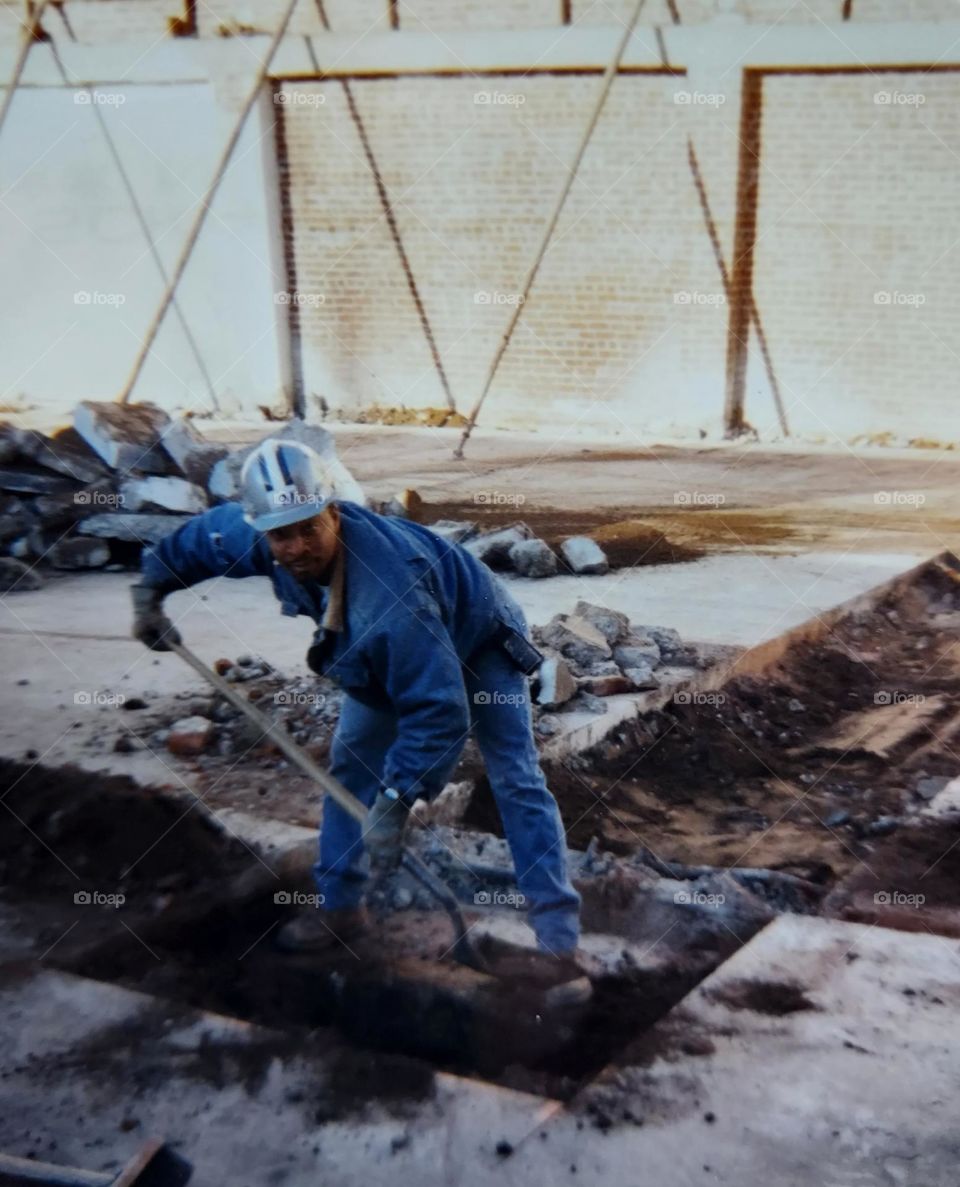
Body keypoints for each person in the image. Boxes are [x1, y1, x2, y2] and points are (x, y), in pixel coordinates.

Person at [131, 438, 581, 961]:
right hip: (394, 645)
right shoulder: (266, 533)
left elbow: (438, 713)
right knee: (351, 765)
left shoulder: (386, 602)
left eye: (310, 529)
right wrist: (151, 589)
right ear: (263, 531)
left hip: (482, 639)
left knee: (516, 777)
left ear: (335, 514)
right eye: (282, 536)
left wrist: (395, 801)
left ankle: (557, 938)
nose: (297, 546)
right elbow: (202, 539)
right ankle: (342, 907)